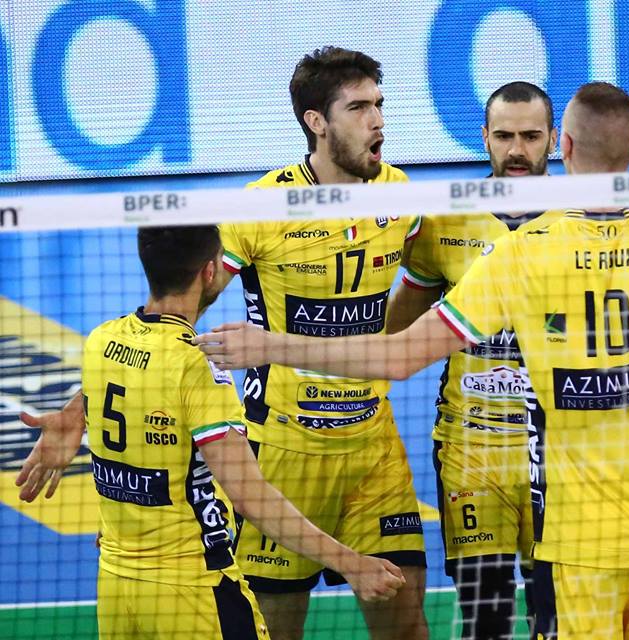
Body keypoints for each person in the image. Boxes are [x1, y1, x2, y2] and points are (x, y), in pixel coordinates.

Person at [196, 83, 629, 640]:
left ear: (560, 145)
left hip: (579, 537)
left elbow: (396, 355)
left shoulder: (523, 255)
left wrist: (271, 344)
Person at [17, 46, 428, 640]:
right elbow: (173, 315)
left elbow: (417, 288)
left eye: (380, 105)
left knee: (406, 627)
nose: (378, 121)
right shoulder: (261, 209)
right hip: (282, 453)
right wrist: (81, 411)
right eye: (359, 107)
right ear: (316, 121)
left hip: (375, 452)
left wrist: (382, 350)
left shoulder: (401, 197)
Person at [81, 226, 404, 639]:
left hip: (115, 586)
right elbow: (251, 497)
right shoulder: (197, 365)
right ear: (210, 272)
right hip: (193, 591)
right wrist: (352, 564)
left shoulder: (101, 341)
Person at [387, 81, 559, 639]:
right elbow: (397, 330)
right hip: (471, 451)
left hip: (561, 450)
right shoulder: (447, 222)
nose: (517, 150)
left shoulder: (581, 220)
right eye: (504, 136)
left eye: (531, 136)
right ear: (484, 137)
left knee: (557, 619)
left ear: (554, 139)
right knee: (485, 621)